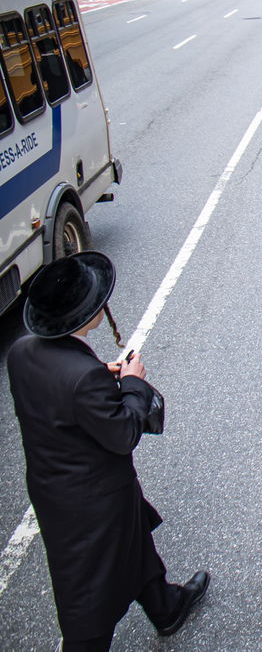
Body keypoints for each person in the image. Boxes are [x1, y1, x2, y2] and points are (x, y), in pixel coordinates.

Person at [7, 253, 210, 651]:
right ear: (83, 316)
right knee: (89, 596)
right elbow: (123, 433)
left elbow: (60, 396)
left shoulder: (23, 351)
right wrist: (132, 383)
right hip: (94, 500)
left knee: (133, 542)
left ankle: (166, 607)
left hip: (54, 486)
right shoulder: (83, 379)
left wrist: (104, 373)